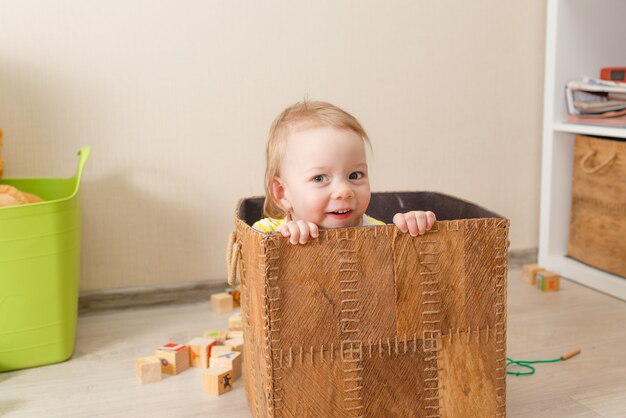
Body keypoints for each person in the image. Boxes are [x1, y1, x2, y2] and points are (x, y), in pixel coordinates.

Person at [253, 100, 436, 244]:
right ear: (282, 193)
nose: (344, 191)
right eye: (319, 178)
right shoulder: (267, 232)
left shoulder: (377, 233)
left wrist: (412, 230)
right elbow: (250, 259)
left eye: (354, 175)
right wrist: (283, 242)